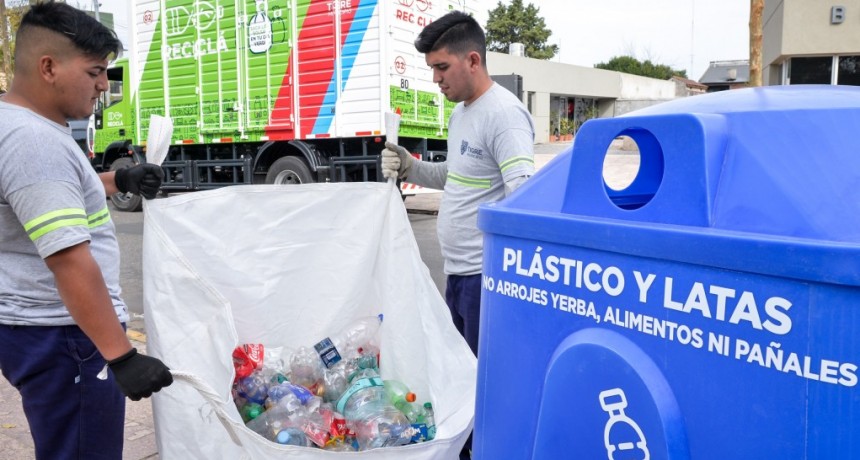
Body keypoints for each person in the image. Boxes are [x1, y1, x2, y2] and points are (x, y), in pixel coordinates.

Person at [0, 2, 172, 459]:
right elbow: (69, 261)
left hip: (50, 332)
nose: (103, 84)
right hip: (69, 337)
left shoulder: (20, 124)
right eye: (95, 71)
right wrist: (122, 356)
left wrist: (118, 181)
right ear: (49, 66)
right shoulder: (34, 142)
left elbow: (43, 195)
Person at [382, 11, 535, 357]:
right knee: (463, 374)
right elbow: (456, 177)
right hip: (457, 273)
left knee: (482, 377)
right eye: (432, 68)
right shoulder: (461, 113)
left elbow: (522, 199)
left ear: (473, 60)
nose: (435, 78)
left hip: (484, 277)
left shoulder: (504, 116)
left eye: (442, 67)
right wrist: (409, 166)